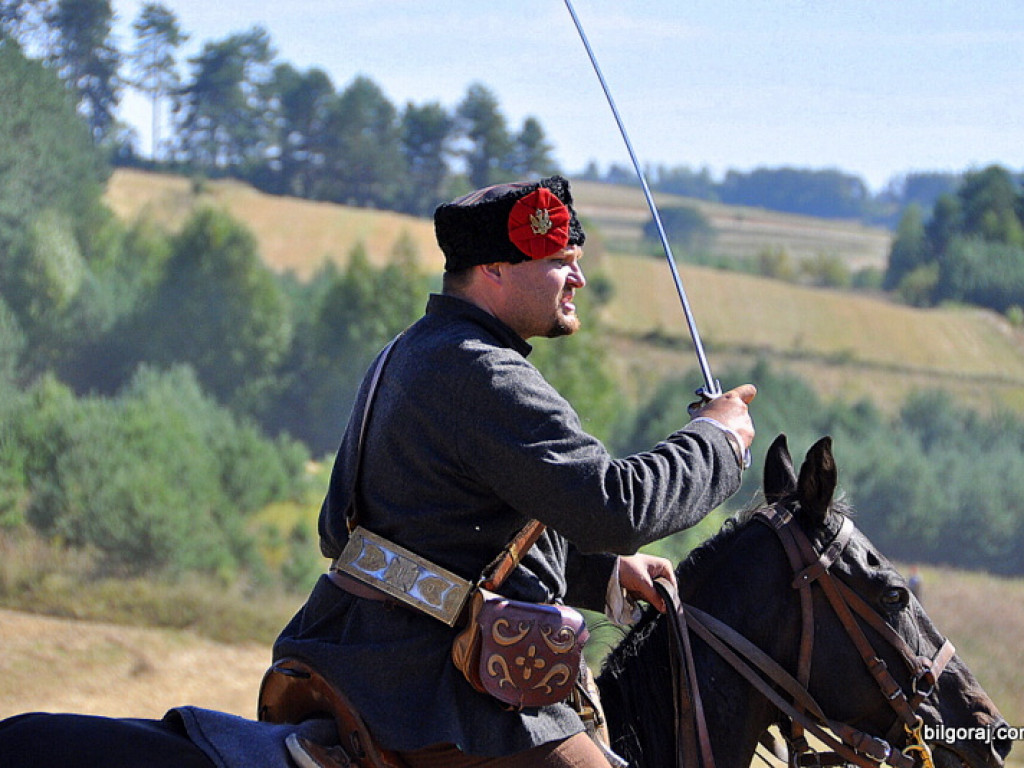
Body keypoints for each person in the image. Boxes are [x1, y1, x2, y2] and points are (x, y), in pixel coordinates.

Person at [272, 175, 756, 767]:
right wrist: (717, 439)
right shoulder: (485, 373)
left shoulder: (411, 351)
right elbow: (616, 508)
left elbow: (393, 534)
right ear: (495, 269)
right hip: (434, 696)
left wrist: (600, 571)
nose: (577, 279)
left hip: (348, 653)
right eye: (558, 261)